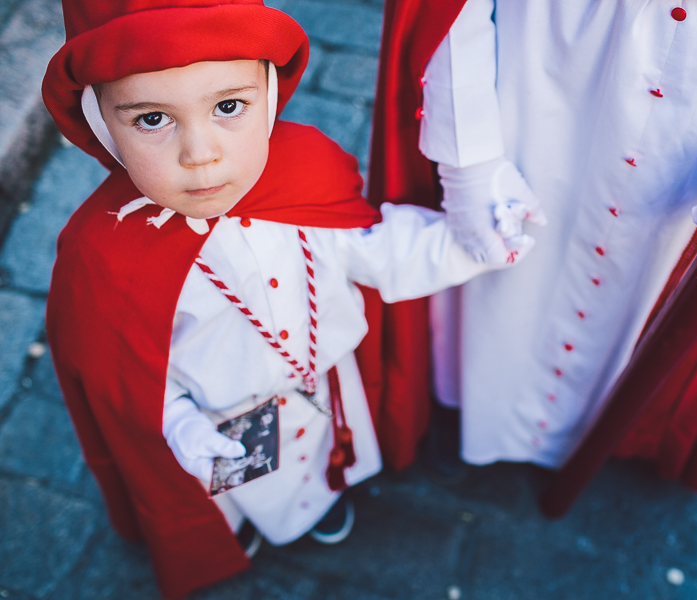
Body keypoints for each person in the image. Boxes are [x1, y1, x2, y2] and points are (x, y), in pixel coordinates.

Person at [41, 1, 530, 597]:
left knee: (318, 458)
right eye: (151, 120)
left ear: (268, 95)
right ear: (101, 125)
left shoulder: (309, 171)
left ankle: (319, 499)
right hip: (220, 415)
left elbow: (374, 252)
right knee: (233, 492)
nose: (200, 154)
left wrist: (468, 245)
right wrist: (179, 426)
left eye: (227, 107)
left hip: (321, 385)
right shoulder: (103, 252)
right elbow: (124, 374)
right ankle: (235, 528)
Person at [368, 0, 697, 487]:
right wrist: (468, 157)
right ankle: (479, 401)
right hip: (555, 46)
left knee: (655, 266)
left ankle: (596, 428)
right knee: (517, 246)